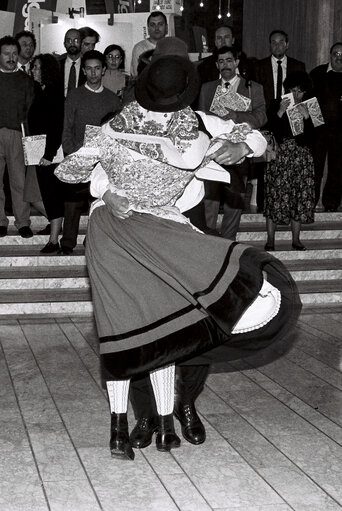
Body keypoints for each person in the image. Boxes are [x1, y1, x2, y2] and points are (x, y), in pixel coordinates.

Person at [55, 51, 301, 461]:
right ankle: (148, 417)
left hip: (184, 225)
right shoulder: (125, 120)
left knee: (201, 316)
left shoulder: (200, 121)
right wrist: (107, 193)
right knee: (135, 318)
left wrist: (241, 147)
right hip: (128, 223)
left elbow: (258, 136)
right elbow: (97, 174)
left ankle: (184, 406)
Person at [198, 45, 267, 239]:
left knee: (234, 201)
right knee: (209, 200)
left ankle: (228, 243)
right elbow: (201, 120)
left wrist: (235, 115)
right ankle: (208, 241)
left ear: (236, 62)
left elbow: (261, 117)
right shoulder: (207, 88)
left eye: (229, 60)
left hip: (239, 151)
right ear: (216, 65)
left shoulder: (253, 87)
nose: (225, 65)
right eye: (221, 61)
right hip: (212, 153)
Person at [59, 50, 120, 255]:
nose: (93, 73)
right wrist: (70, 152)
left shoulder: (112, 100)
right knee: (72, 202)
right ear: (84, 71)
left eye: (97, 68)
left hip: (102, 161)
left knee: (97, 202)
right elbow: (66, 127)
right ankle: (67, 242)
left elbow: (115, 133)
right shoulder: (74, 95)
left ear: (103, 70)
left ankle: (91, 241)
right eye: (89, 69)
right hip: (78, 156)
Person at [254, 29, 306, 212]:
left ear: (287, 44)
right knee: (265, 165)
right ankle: (263, 205)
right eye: (274, 42)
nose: (277, 45)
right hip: (266, 119)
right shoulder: (259, 67)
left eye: (281, 42)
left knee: (287, 165)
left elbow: (303, 94)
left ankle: (287, 205)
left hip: (290, 122)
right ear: (270, 45)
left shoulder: (298, 66)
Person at [264, 71, 315, 251]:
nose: (296, 95)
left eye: (300, 92)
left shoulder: (311, 106)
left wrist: (308, 117)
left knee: (299, 198)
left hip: (302, 158)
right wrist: (279, 112)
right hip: (280, 156)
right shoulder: (276, 104)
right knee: (274, 197)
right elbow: (267, 129)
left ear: (305, 92)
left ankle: (296, 240)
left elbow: (317, 138)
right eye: (293, 90)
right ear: (287, 89)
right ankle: (270, 240)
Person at [28, 54, 65, 253]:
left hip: (48, 154)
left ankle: (54, 240)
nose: (33, 70)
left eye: (36, 67)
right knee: (39, 194)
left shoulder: (54, 94)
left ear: (46, 70)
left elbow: (56, 127)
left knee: (51, 195)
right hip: (37, 150)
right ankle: (56, 225)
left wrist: (48, 154)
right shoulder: (40, 91)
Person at [0, 35, 34, 238]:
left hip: (17, 135)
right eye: (6, 54)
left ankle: (23, 222)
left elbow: (31, 112)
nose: (11, 57)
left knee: (19, 181)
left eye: (14, 53)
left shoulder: (25, 81)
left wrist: (30, 142)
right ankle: (0, 221)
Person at [310, 42, 342, 211]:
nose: (339, 57)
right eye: (336, 54)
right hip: (319, 130)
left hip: (340, 132)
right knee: (315, 167)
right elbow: (308, 99)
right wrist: (316, 123)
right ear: (330, 55)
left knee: (338, 168)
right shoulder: (317, 73)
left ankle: (331, 203)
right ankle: (311, 202)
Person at [130, 11, 168, 77]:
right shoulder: (140, 48)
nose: (156, 28)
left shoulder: (173, 47)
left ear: (166, 27)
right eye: (153, 25)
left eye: (160, 24)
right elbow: (138, 76)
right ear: (148, 28)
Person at [59, 28, 86, 97]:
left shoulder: (87, 66)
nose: (72, 44)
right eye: (69, 41)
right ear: (64, 44)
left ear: (82, 43)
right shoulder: (56, 65)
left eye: (76, 40)